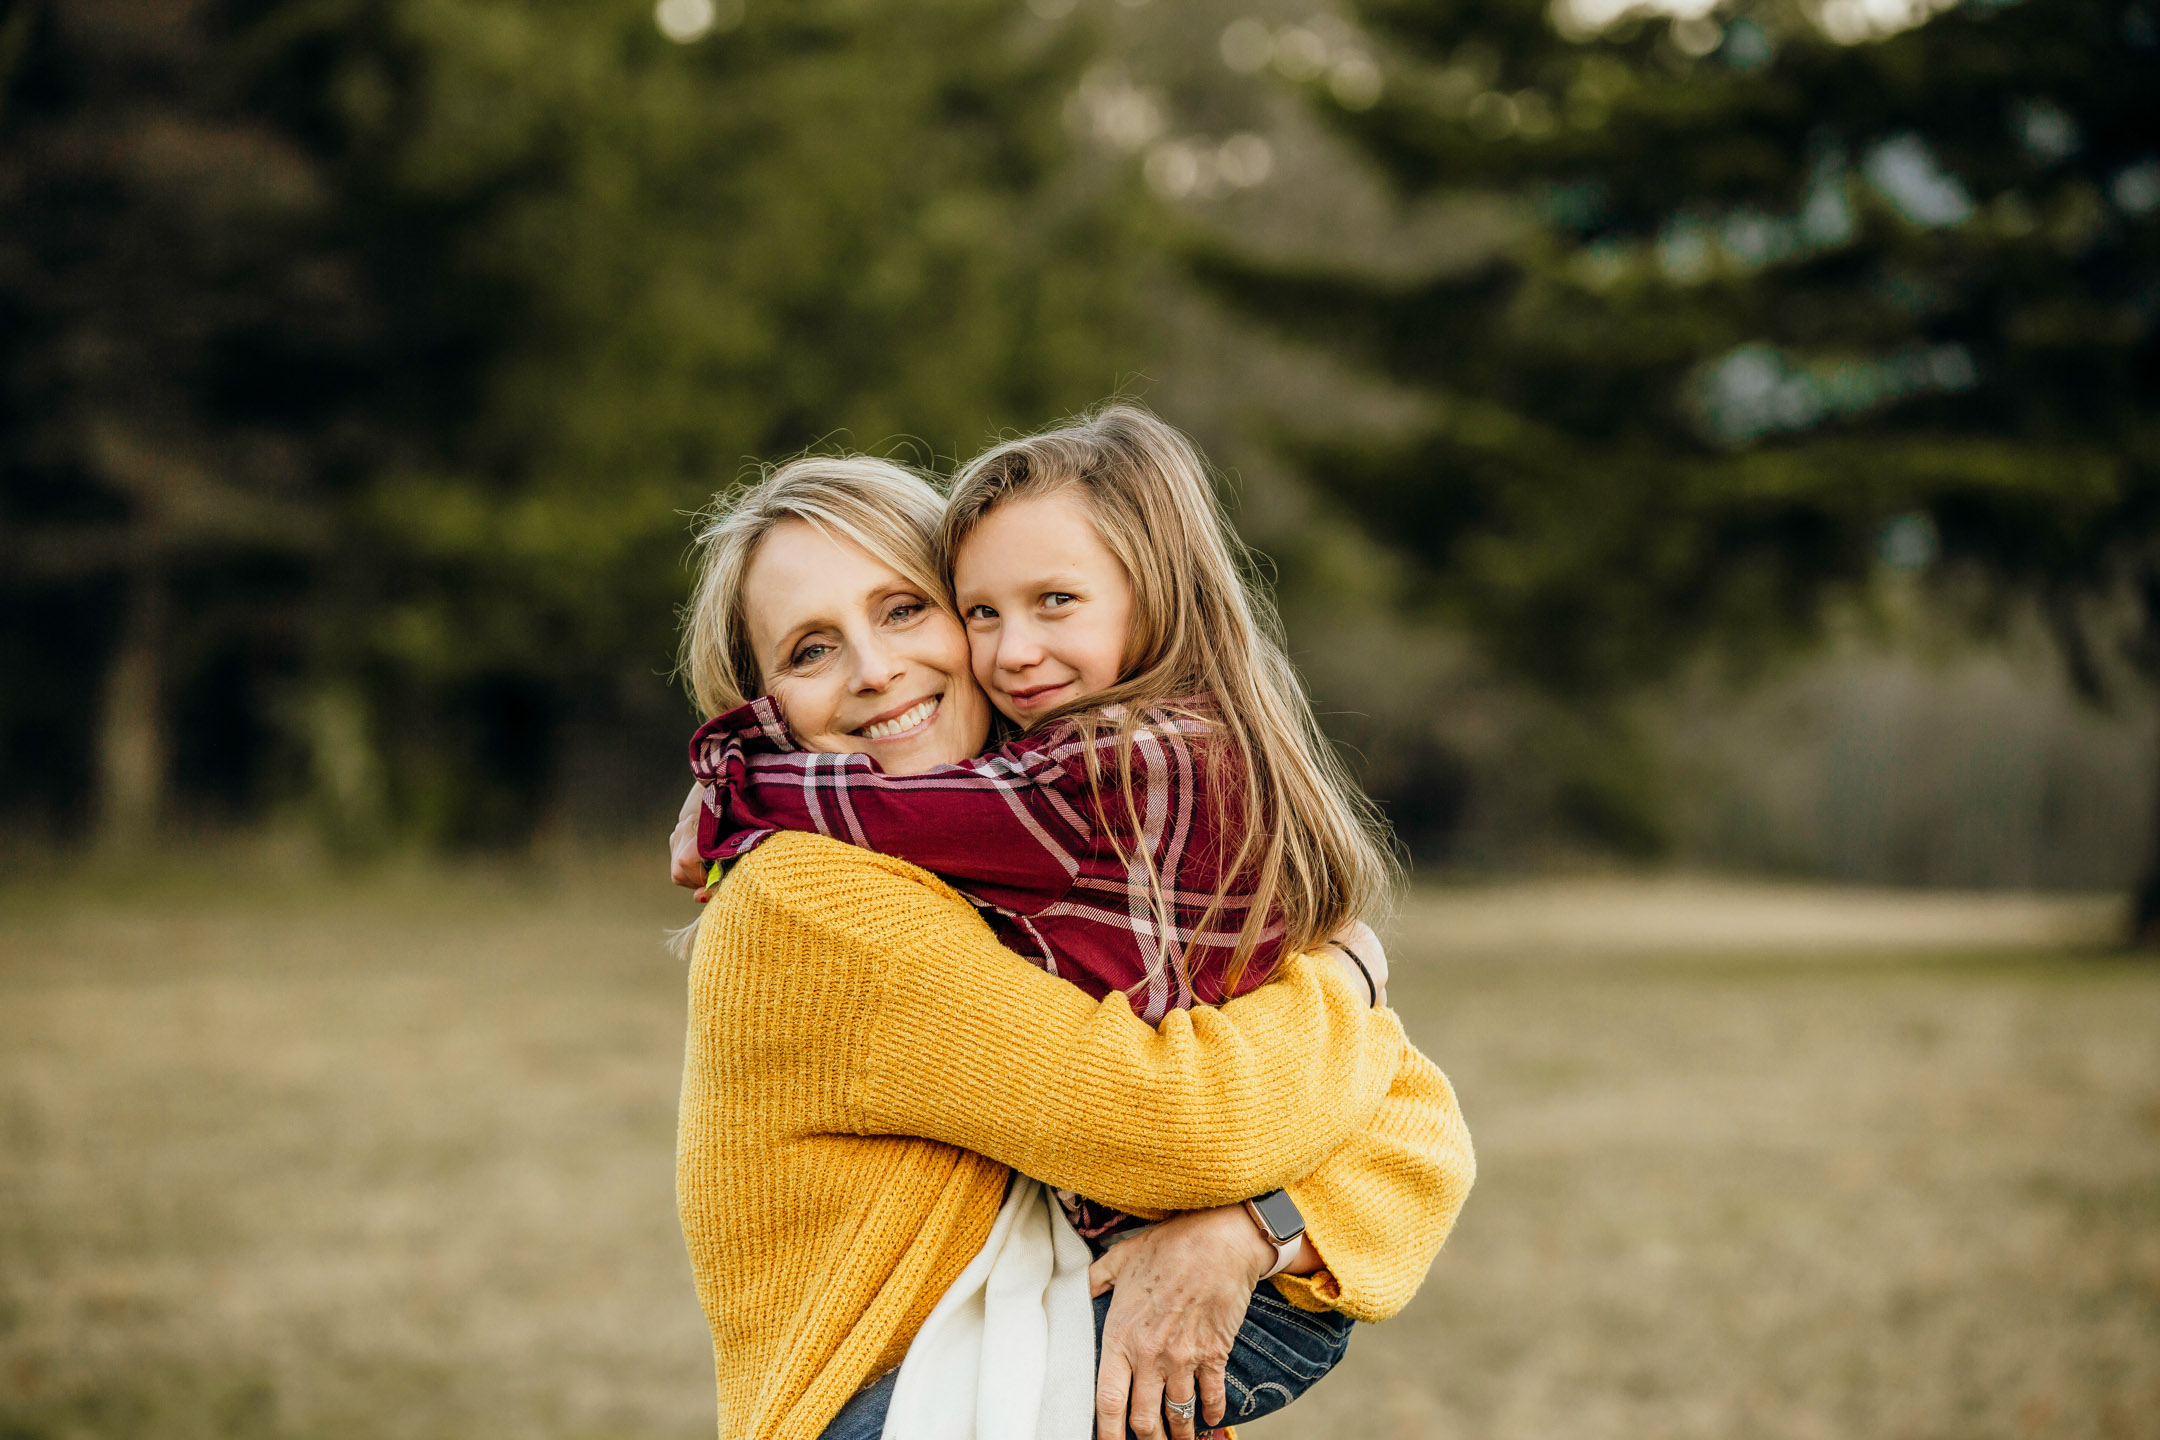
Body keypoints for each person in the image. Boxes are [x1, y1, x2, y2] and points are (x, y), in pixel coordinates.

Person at [670, 451, 1475, 1440]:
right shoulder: (815, 897)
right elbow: (1184, 1126)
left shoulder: (1067, 856)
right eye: (810, 651)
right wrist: (1344, 971)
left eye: (905, 610)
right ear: (763, 712)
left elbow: (1415, 1126)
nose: (876, 671)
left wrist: (1247, 1233)